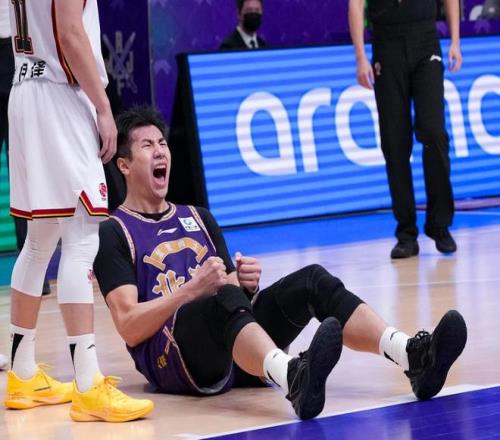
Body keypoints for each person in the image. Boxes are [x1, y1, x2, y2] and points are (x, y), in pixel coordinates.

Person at [93, 106, 468, 420]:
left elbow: (232, 296)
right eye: (147, 146)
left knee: (312, 280)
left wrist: (247, 285)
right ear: (124, 165)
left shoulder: (198, 216)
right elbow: (129, 326)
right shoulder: (114, 231)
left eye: (162, 143)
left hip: (232, 344)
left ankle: (411, 355)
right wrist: (192, 291)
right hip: (174, 359)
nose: (160, 151)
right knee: (220, 298)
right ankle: (293, 377)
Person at [4, 0, 153, 422]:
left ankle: (22, 372)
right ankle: (88, 384)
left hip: (24, 90)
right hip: (60, 96)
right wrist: (104, 107)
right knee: (82, 239)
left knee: (39, 241)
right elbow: (70, 33)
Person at [348, 0, 462, 259]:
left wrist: (455, 41)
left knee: (434, 132)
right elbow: (355, 6)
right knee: (394, 142)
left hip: (425, 39)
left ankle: (439, 225)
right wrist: (360, 57)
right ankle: (406, 233)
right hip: (387, 44)